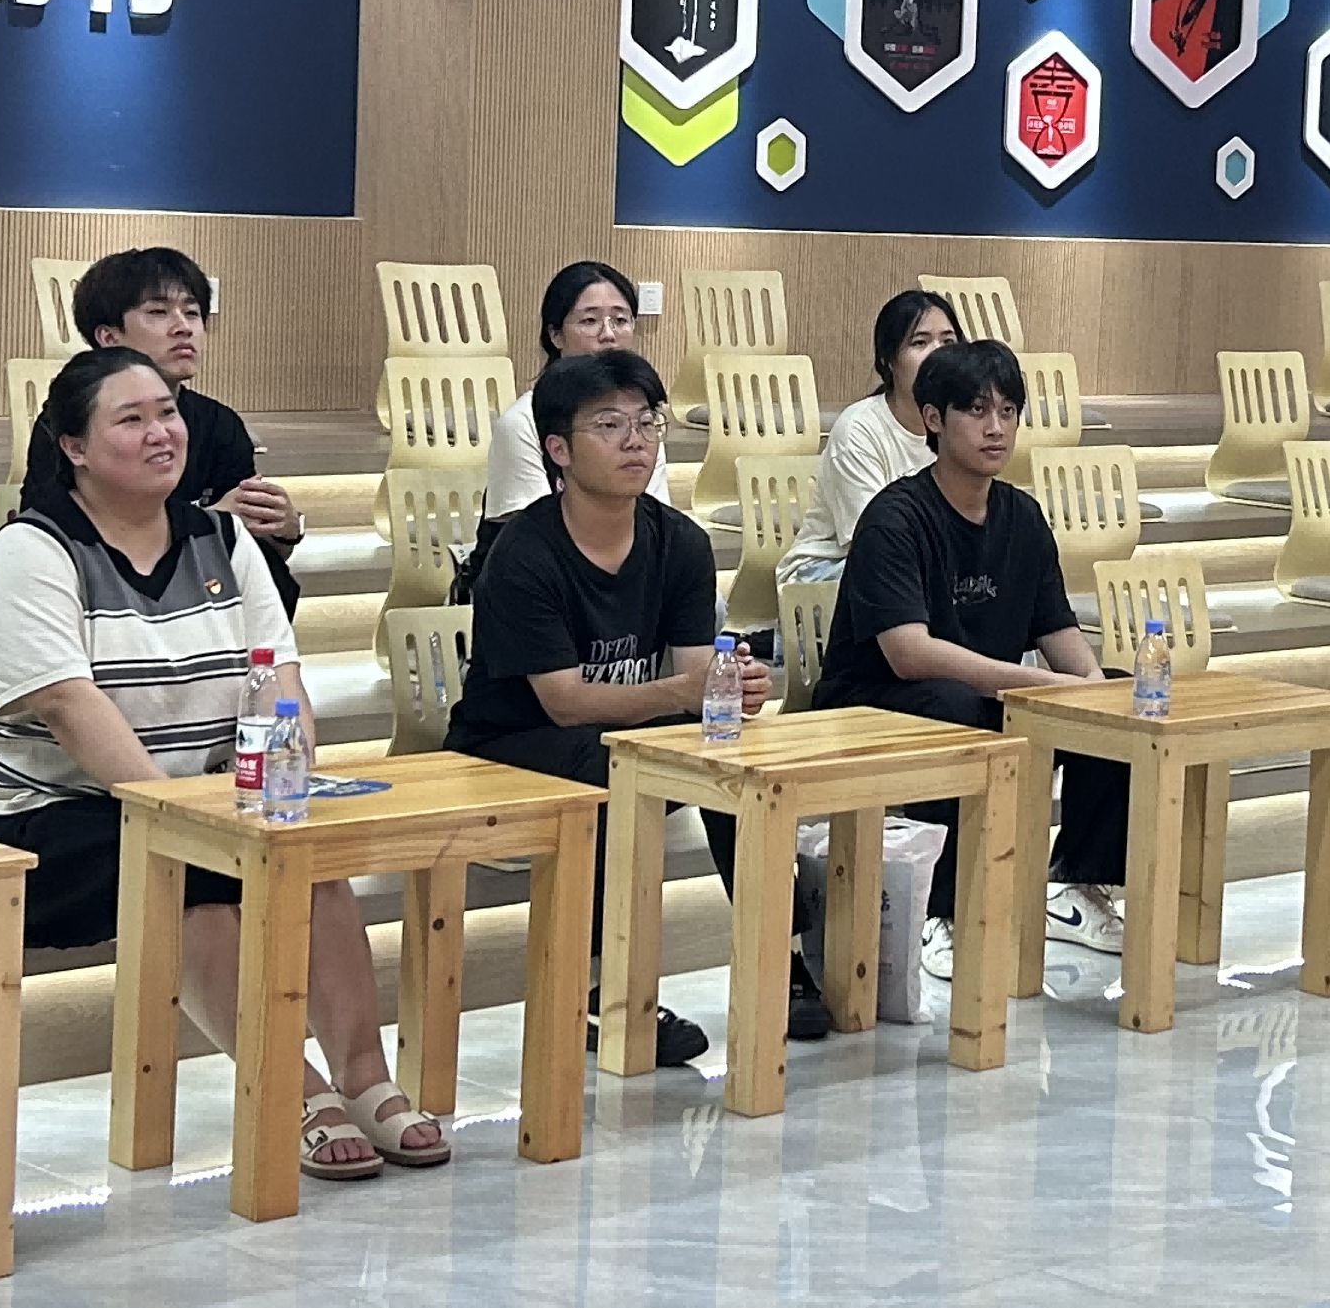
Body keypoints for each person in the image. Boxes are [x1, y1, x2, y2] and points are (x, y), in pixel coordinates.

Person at [0, 346, 441, 1179]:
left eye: (167, 414)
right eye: (131, 419)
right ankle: (288, 1085)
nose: (160, 433)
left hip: (206, 795)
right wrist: (188, 819)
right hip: (42, 817)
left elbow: (278, 674)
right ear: (73, 446)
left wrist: (286, 777)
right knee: (195, 869)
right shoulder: (35, 548)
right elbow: (68, 703)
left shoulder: (223, 538)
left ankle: (365, 1078)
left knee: (312, 850)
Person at [448, 344, 773, 1066]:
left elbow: (694, 675)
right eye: (609, 424)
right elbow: (563, 703)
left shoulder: (681, 543)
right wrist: (685, 694)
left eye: (647, 422)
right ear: (558, 450)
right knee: (619, 769)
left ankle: (786, 957)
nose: (636, 441)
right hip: (507, 744)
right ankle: (607, 990)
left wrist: (731, 687)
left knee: (732, 755)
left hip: (615, 735)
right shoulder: (524, 552)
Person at [811, 337, 1136, 940]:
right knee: (954, 708)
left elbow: (1057, 627)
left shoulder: (1022, 516)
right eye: (978, 410)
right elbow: (909, 654)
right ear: (934, 419)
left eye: (1008, 411)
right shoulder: (895, 517)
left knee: (1116, 697)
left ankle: (1076, 883)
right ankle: (940, 911)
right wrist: (1040, 685)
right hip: (870, 703)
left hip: (983, 695)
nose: (996, 428)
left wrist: (1093, 694)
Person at [23, 247, 306, 615]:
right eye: (158, 312)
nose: (183, 327)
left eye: (193, 312)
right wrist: (209, 524)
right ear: (109, 337)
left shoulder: (220, 423)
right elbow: (48, 538)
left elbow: (255, 555)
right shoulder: (71, 421)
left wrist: (284, 531)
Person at [780, 288, 959, 585]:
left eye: (948, 341)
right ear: (888, 361)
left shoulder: (961, 425)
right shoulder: (858, 429)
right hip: (827, 570)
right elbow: (876, 542)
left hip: (923, 561)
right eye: (920, 342)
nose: (938, 353)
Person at [482, 258, 641, 527]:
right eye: (589, 320)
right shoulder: (523, 422)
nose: (608, 334)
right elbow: (527, 535)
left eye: (620, 320)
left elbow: (655, 520)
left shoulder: (642, 419)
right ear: (555, 335)